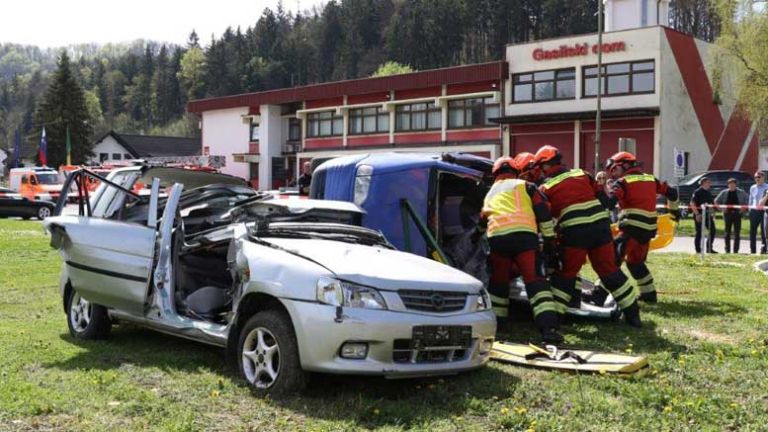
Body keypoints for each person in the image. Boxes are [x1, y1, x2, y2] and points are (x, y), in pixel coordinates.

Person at [532, 145, 642, 327]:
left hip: (575, 233)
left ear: (544, 166)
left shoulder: (545, 187)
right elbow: (602, 198)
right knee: (610, 271)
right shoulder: (582, 174)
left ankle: (555, 320)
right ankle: (633, 315)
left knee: (567, 274)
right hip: (601, 228)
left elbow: (545, 217)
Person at [482, 156, 563, 344]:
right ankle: (548, 329)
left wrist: (475, 235)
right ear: (516, 171)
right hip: (525, 238)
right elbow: (542, 211)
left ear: (495, 174)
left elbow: (482, 218)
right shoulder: (525, 185)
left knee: (499, 282)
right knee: (536, 282)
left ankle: (498, 326)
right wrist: (550, 240)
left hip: (498, 239)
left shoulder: (490, 192)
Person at [600, 152, 679, 304]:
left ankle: (599, 293)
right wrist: (674, 213)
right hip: (647, 231)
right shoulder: (651, 179)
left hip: (630, 230)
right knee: (635, 263)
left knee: (611, 261)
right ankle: (649, 295)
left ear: (625, 165)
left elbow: (609, 203)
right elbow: (672, 193)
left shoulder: (623, 183)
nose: (613, 174)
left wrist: (600, 187)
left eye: (614, 170)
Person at [715, 178, 748, 253]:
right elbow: (716, 201)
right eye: (730, 184)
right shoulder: (724, 192)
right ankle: (727, 250)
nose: (732, 185)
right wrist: (721, 209)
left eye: (733, 184)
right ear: (728, 185)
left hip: (737, 214)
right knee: (727, 233)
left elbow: (747, 201)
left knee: (737, 233)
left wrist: (743, 209)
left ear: (736, 184)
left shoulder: (741, 192)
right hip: (727, 215)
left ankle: (736, 250)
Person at [691, 177, 716, 253]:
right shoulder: (697, 192)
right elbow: (692, 204)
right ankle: (698, 250)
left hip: (708, 215)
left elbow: (711, 204)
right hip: (699, 215)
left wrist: (713, 214)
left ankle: (709, 248)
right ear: (703, 183)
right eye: (708, 182)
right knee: (699, 232)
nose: (709, 184)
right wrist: (697, 214)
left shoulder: (708, 192)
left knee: (712, 231)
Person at [748, 171, 768, 254]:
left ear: (763, 178)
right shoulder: (752, 187)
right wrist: (749, 209)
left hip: (764, 211)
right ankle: (752, 251)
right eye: (755, 177)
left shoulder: (767, 187)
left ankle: (764, 249)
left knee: (764, 231)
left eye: (759, 177)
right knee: (752, 231)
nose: (757, 179)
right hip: (754, 211)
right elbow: (751, 199)